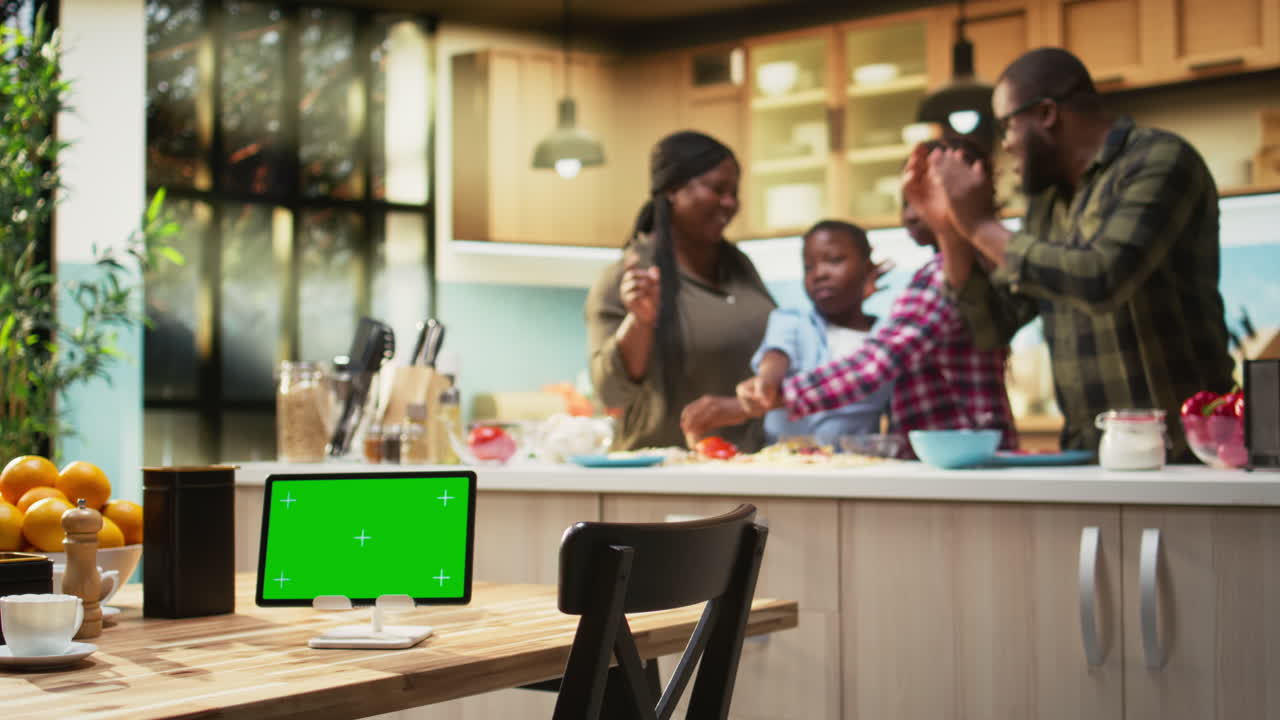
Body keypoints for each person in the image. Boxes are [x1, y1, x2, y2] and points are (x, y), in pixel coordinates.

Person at [906, 47, 1234, 458]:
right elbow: (991, 327)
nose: (1004, 145)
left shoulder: (1158, 160)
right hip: (1091, 450)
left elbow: (1102, 277)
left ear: (1046, 114)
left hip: (1185, 453)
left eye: (1006, 126)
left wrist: (979, 225)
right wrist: (951, 230)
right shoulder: (1048, 202)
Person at [737, 139, 1017, 455]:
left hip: (954, 456)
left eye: (927, 196)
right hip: (967, 450)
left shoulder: (939, 274)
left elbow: (876, 363)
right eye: (908, 200)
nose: (912, 213)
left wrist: (777, 397)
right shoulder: (975, 267)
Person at [586, 131, 776, 452]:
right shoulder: (631, 277)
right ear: (672, 189)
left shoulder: (740, 266)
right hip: (663, 472)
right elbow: (611, 394)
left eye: (734, 192)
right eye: (717, 189)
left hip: (747, 465)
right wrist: (640, 321)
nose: (730, 203)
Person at [731, 220, 892, 448]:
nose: (819, 274)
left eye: (834, 260)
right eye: (809, 267)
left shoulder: (886, 339)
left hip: (856, 470)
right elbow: (776, 354)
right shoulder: (792, 320)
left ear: (867, 270)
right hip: (785, 467)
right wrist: (766, 380)